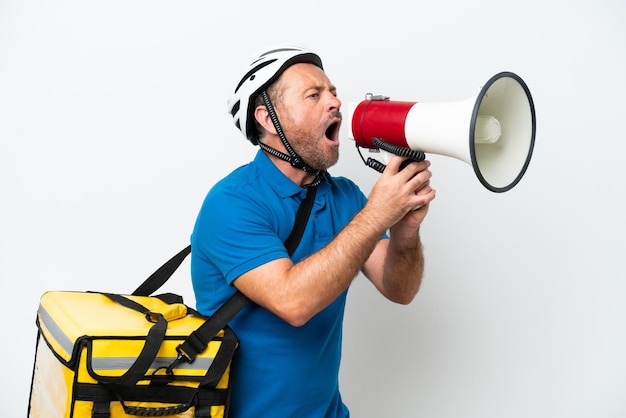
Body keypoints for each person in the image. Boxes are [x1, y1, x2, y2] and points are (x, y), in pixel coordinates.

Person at [190, 44, 436, 418]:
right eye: (314, 95)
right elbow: (293, 303)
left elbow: (399, 290)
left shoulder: (346, 197)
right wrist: (376, 215)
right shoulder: (232, 203)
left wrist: (405, 230)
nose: (335, 102)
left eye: (333, 91)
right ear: (268, 119)